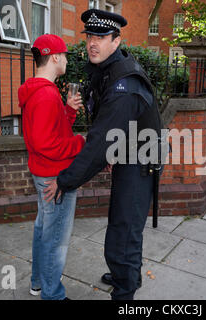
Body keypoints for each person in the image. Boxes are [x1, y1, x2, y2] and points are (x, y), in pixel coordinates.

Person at [43, 9, 163, 300]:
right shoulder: (108, 70)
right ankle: (125, 273)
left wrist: (66, 180)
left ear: (116, 41)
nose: (92, 43)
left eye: (101, 37)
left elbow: (98, 143)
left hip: (140, 160)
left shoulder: (124, 85)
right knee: (122, 221)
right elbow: (108, 131)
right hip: (128, 152)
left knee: (123, 232)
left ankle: (125, 291)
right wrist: (114, 152)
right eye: (90, 37)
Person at [18, 34, 86, 300]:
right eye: (66, 55)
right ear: (55, 57)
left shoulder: (39, 91)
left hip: (42, 172)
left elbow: (50, 134)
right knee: (55, 240)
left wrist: (67, 111)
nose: (67, 60)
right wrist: (81, 143)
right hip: (53, 177)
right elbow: (47, 144)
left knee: (43, 230)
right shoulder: (46, 95)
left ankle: (38, 284)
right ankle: (53, 295)